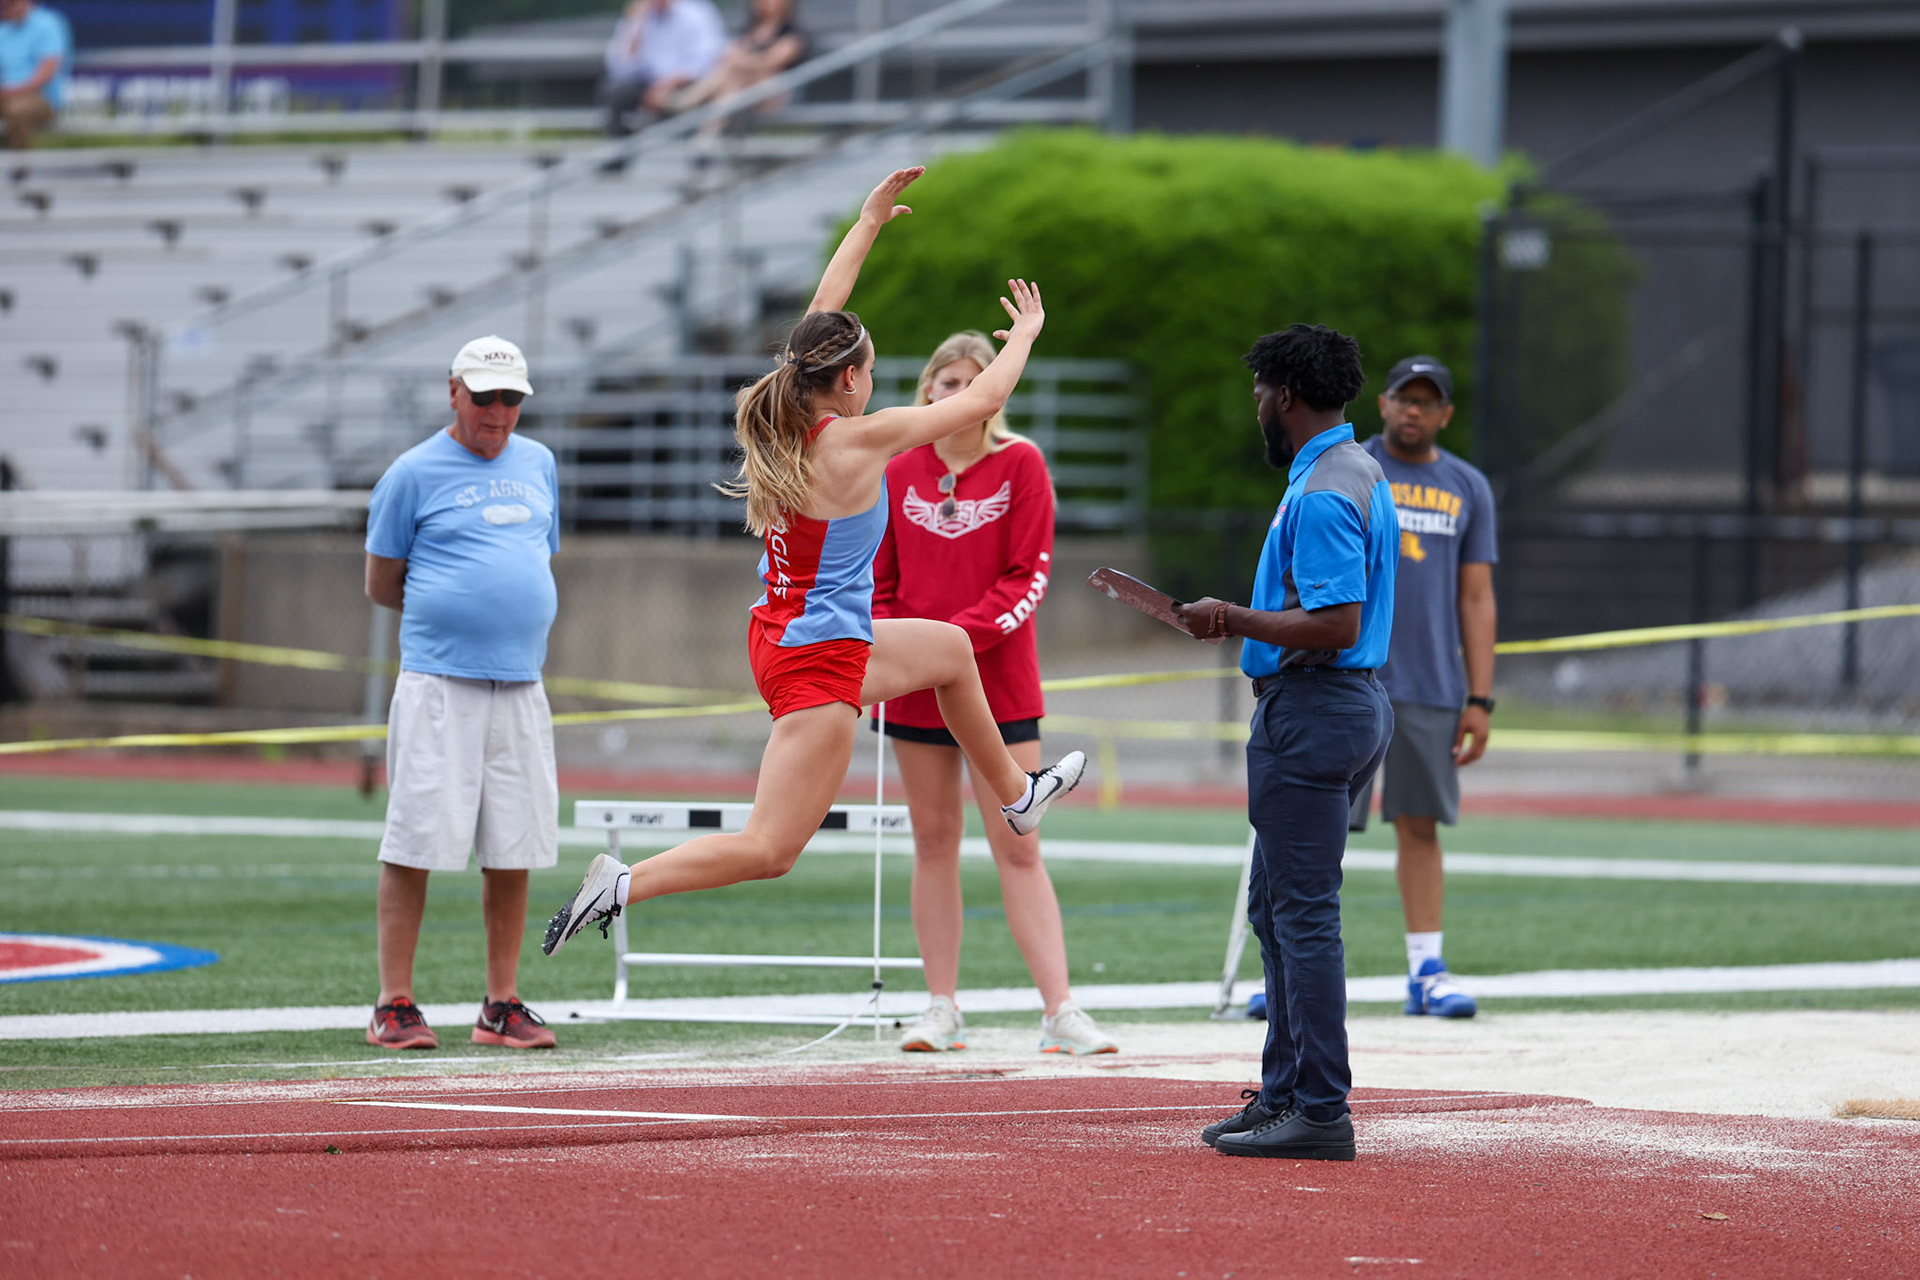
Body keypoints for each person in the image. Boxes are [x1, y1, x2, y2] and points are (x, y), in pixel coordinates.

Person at [543, 168, 1086, 959]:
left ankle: (1016, 795)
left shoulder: (787, 407)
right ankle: (622, 883)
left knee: (949, 649)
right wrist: (1028, 336)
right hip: (819, 657)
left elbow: (822, 319)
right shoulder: (853, 439)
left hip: (799, 633)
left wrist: (867, 224)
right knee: (771, 849)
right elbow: (975, 406)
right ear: (854, 380)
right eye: (869, 365)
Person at [1175, 324, 1396, 1161]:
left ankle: (1321, 1109)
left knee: (1303, 916)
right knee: (1277, 907)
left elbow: (1336, 623)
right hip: (1341, 705)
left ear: (1284, 396)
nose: (1257, 408)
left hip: (1314, 707)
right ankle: (1284, 1093)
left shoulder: (1323, 490)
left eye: (1260, 393)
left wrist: (1227, 618)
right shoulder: (1353, 469)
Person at [872, 331, 1117, 1057]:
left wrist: (948, 647)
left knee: (1019, 840)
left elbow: (1028, 578)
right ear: (926, 391)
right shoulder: (897, 469)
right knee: (933, 841)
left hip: (999, 685)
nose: (954, 394)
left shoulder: (1022, 464)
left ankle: (1060, 1011)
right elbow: (878, 585)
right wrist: (911, 655)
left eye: (969, 382)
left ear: (994, 394)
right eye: (943, 382)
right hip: (913, 688)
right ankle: (940, 1008)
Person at [362, 335, 562, 1052]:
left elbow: (539, 556)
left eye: (511, 398)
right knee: (415, 837)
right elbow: (383, 582)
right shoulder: (411, 473)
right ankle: (393, 1002)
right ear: (454, 392)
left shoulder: (539, 463)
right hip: (440, 681)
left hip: (521, 682)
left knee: (515, 842)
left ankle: (501, 1003)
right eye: (485, 397)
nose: (499, 412)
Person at [1349, 355, 1498, 1019]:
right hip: (1348, 676)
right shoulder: (1350, 467)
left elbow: (1477, 596)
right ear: (1382, 404)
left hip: (1431, 684)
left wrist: (1481, 696)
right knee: (1320, 827)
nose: (1413, 409)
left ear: (1445, 414)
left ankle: (1426, 972)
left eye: (1426, 400)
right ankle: (1294, 971)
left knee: (1420, 825)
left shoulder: (1468, 485)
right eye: (1402, 398)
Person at [664, 0, 808, 132]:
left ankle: (688, 101)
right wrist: (736, 58)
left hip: (776, 93)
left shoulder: (792, 34)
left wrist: (739, 60)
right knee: (732, 82)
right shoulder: (753, 30)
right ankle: (706, 138)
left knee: (734, 70)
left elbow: (768, 63)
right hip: (745, 88)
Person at [602, 0, 728, 137]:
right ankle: (620, 152)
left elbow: (706, 60)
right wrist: (635, 28)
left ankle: (697, 147)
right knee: (616, 91)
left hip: (688, 84)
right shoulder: (639, 17)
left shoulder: (697, 13)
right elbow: (620, 67)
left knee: (693, 97)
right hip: (649, 85)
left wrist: (668, 83)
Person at [0, 0, 70, 151]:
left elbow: (47, 71)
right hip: (6, 96)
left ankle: (19, 168)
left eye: (10, 3)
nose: (5, 8)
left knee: (18, 110)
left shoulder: (47, 25)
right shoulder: (3, 30)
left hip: (41, 99)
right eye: (3, 5)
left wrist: (13, 91)